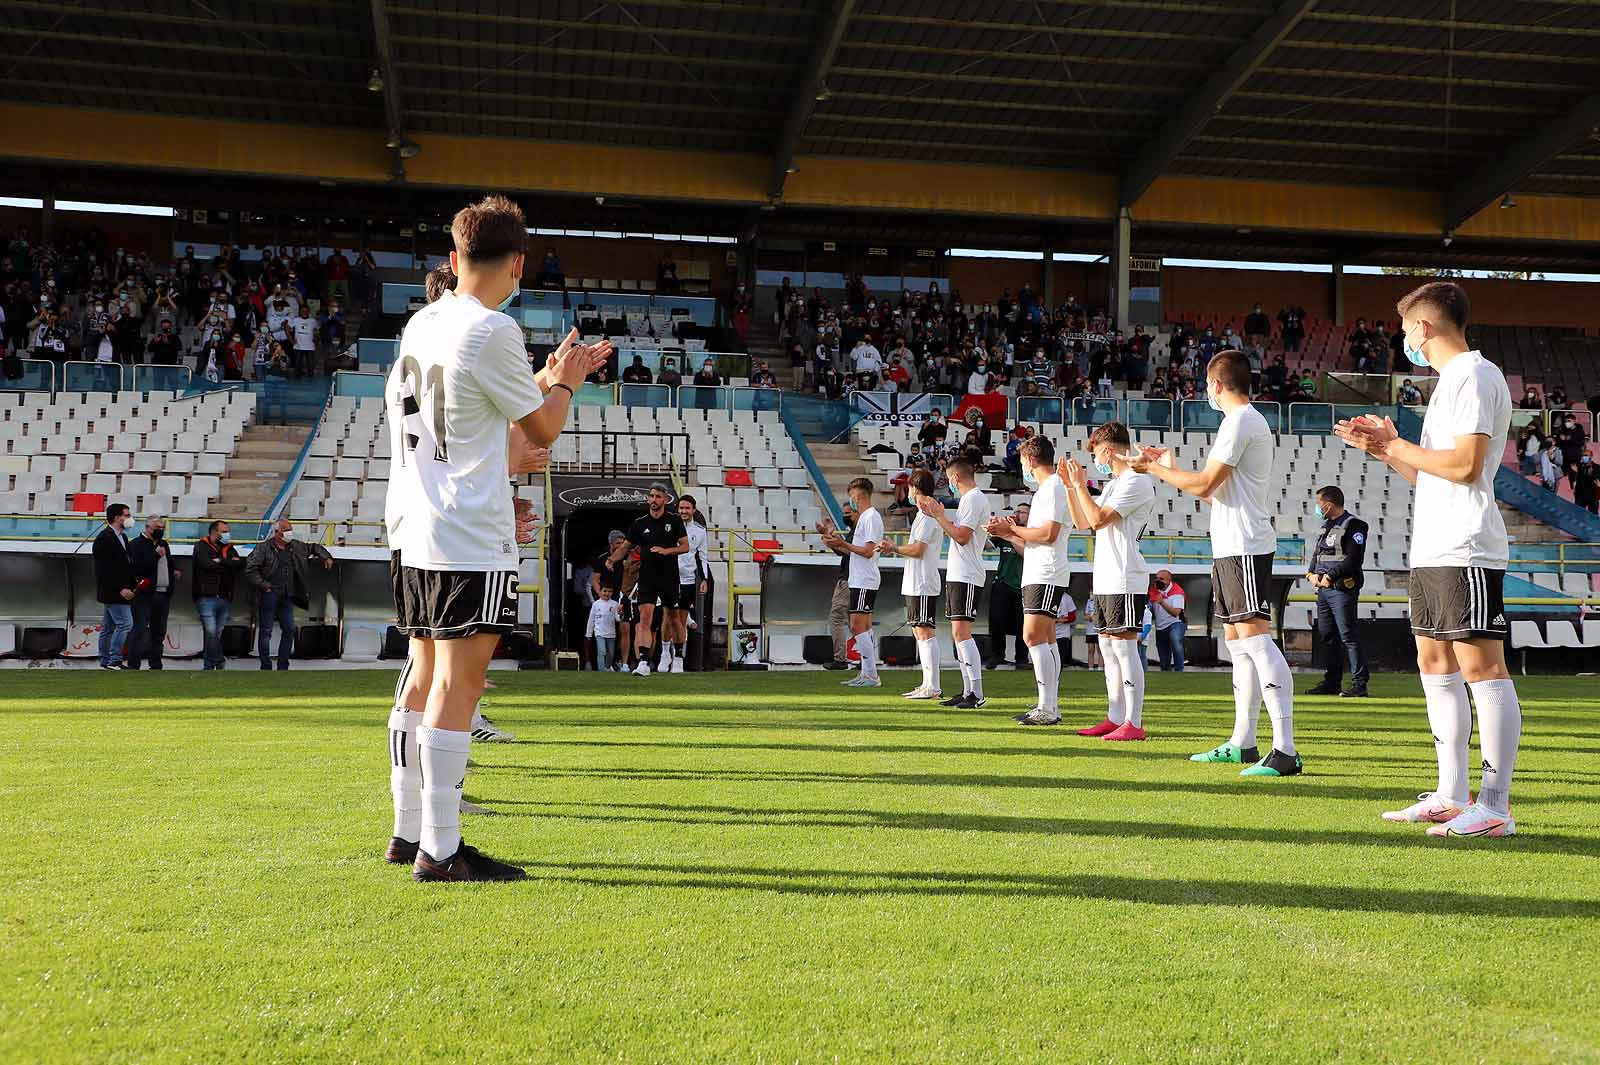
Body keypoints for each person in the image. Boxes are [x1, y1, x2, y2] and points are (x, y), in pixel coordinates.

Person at [383, 195, 607, 882]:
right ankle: (443, 851)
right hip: (468, 531)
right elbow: (540, 431)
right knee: (460, 684)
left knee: (421, 679)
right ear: (517, 263)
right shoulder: (494, 329)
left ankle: (407, 831)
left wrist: (550, 377)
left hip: (415, 525)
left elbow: (479, 400)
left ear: (454, 260)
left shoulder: (423, 322)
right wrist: (566, 383)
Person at [1336, 280, 1522, 838]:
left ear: (1424, 327)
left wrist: (1391, 446)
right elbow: (1431, 473)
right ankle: (1449, 792)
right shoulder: (1449, 385)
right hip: (1436, 544)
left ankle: (1494, 806)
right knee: (1433, 663)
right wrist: (1389, 448)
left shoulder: (1473, 375)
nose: (1403, 342)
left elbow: (1466, 466)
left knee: (1481, 668)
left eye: (1404, 331)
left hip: (1466, 544)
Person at [1134, 349, 1302, 777]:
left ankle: (1285, 749)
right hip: (1232, 545)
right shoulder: (1243, 422)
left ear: (1216, 384)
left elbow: (1206, 482)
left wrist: (1157, 470)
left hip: (1244, 545)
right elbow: (1213, 492)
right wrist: (1169, 467)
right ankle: (1243, 742)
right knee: (1238, 641)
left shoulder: (1241, 420)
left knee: (1255, 638)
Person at [1059, 421, 1157, 740]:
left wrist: (1081, 486)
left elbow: (1099, 519)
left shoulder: (1135, 482)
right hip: (1106, 576)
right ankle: (1116, 716)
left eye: (1097, 452)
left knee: (1124, 648)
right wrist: (1074, 488)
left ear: (1109, 449)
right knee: (1108, 647)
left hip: (1125, 575)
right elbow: (1082, 521)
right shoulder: (1115, 484)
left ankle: (1134, 722)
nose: (1095, 459)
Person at [985, 436, 1071, 726]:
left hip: (1046, 572)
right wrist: (1008, 533)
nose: (1022, 466)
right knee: (1045, 638)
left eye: (1022, 461)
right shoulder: (1047, 490)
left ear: (1032, 460)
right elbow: (1035, 540)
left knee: (1032, 636)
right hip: (1040, 569)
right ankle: (1049, 705)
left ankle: (1048, 707)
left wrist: (1015, 529)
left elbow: (1048, 534)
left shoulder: (1053, 488)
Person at [919, 455, 992, 708]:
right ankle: (967, 690)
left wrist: (940, 516)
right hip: (959, 572)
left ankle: (977, 693)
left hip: (967, 573)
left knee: (962, 632)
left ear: (956, 477)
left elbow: (961, 536)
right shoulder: (968, 501)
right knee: (957, 632)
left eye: (949, 478)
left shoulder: (973, 499)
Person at [876, 470, 946, 699]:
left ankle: (933, 685)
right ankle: (927, 683)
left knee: (925, 630)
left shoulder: (927, 515)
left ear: (914, 488)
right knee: (918, 629)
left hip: (924, 580)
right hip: (916, 580)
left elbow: (917, 550)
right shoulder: (921, 514)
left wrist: (893, 548)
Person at [1303, 485, 1371, 698]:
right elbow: (1317, 555)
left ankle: (1359, 684)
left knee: (1348, 635)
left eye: (1319, 504)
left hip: (1341, 589)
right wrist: (1311, 574)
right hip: (1323, 591)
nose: (1317, 508)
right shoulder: (1326, 526)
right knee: (1327, 636)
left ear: (1329, 504)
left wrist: (1330, 576)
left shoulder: (1355, 525)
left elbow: (1353, 559)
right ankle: (1331, 681)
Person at [244, 518, 332, 670]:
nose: (290, 532)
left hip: (287, 594)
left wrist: (326, 556)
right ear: (277, 533)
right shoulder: (263, 548)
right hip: (268, 594)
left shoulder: (295, 546)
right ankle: (265, 665)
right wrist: (265, 586)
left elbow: (313, 547)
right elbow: (250, 569)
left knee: (289, 628)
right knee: (266, 630)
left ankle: (283, 665)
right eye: (286, 530)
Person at [621, 483, 689, 677]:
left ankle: (678, 657)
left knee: (673, 618)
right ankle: (643, 661)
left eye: (658, 496)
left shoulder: (674, 521)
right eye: (651, 496)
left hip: (669, 577)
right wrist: (612, 559)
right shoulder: (640, 523)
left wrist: (666, 551)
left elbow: (684, 547)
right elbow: (626, 546)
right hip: (648, 577)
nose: (653, 500)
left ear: (665, 500)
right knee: (644, 618)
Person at [825, 477, 883, 687]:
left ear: (857, 496)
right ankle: (868, 674)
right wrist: (835, 542)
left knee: (857, 626)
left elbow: (868, 552)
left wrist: (844, 544)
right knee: (862, 626)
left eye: (852, 498)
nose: (851, 503)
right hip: (860, 577)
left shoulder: (870, 518)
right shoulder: (867, 518)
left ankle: (871, 675)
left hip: (864, 578)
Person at [127, 514, 180, 670]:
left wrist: (173, 572)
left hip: (163, 594)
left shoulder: (164, 544)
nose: (161, 530)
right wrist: (155, 556)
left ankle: (156, 664)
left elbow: (168, 563)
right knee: (140, 630)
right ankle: (133, 664)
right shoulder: (136, 545)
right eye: (158, 528)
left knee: (159, 632)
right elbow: (138, 568)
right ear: (148, 527)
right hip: (144, 594)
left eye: (163, 528)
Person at [192, 519, 245, 670]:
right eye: (225, 531)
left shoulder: (229, 548)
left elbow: (239, 564)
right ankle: (219, 660)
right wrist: (227, 564)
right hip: (206, 596)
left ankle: (209, 665)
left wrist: (220, 561)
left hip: (224, 597)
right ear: (215, 532)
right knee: (211, 632)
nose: (228, 534)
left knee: (216, 633)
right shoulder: (201, 546)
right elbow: (207, 565)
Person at [92, 503, 138, 670]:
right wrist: (121, 588)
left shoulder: (122, 537)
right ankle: (114, 660)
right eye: (126, 515)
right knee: (126, 624)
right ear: (117, 517)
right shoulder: (105, 538)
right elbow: (103, 570)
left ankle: (105, 660)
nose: (129, 518)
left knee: (108, 627)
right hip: (114, 592)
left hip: (121, 590)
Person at [984, 501, 1029, 671]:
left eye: (1024, 512)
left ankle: (1021, 659)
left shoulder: (1030, 534)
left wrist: (1009, 535)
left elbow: (1026, 552)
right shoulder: (1005, 534)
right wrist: (989, 529)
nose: (1020, 514)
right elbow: (987, 545)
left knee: (1022, 625)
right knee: (997, 622)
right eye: (1018, 511)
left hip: (1022, 585)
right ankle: (996, 656)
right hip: (1002, 582)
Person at [668, 493, 710, 672]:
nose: (684, 511)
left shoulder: (700, 531)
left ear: (693, 510)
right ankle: (666, 654)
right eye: (681, 508)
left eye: (687, 508)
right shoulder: (669, 527)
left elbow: (702, 557)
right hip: (668, 579)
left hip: (688, 580)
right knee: (669, 618)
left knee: (682, 619)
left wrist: (704, 579)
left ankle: (678, 657)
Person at [816, 501, 856, 670]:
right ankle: (864, 659)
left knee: (837, 618)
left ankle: (840, 658)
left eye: (848, 513)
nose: (845, 517)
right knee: (855, 621)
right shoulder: (855, 532)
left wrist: (830, 537)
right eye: (844, 513)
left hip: (848, 579)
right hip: (852, 579)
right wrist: (829, 537)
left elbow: (850, 551)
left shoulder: (858, 532)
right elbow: (843, 551)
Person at [1150, 569, 1187, 672]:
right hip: (1160, 625)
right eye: (1156, 578)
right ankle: (1165, 671)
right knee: (1163, 651)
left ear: (1168, 580)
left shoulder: (1177, 592)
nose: (1158, 581)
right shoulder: (1153, 590)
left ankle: (1179, 669)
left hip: (1175, 623)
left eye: (1161, 579)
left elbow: (1176, 613)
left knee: (1176, 643)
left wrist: (1162, 602)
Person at [587, 583, 621, 672]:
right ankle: (601, 670)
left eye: (609, 591)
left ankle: (607, 667)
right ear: (600, 591)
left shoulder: (615, 604)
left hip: (611, 633)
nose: (607, 593)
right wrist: (589, 633)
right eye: (605, 591)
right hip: (599, 633)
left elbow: (617, 619)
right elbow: (591, 619)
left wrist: (621, 614)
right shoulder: (596, 604)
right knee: (601, 652)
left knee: (611, 653)